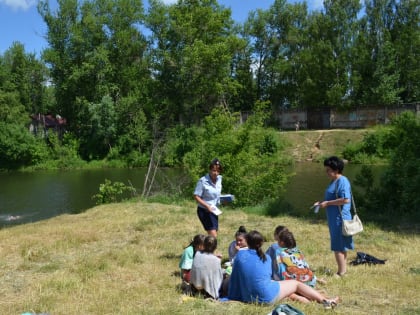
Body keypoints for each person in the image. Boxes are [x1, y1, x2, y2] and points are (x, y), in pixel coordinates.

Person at [228, 230, 339, 308]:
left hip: (248, 297)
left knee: (285, 291)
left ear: (247, 241)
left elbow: (235, 278)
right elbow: (267, 276)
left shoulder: (240, 255)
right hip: (266, 296)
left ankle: (308, 301)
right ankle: (324, 300)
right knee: (295, 284)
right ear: (261, 243)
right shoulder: (266, 258)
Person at [314, 156, 354, 277]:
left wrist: (328, 203)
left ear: (336, 170)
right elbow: (331, 198)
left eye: (328, 170)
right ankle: (343, 270)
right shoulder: (334, 181)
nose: (326, 172)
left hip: (340, 219)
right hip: (334, 218)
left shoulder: (342, 181)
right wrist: (321, 203)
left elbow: (346, 200)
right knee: (341, 246)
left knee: (338, 246)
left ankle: (341, 273)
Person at [193, 158, 223, 237]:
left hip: (214, 210)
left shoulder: (219, 179)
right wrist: (207, 206)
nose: (216, 173)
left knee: (213, 234)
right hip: (204, 210)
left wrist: (223, 200)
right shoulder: (203, 181)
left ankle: (202, 246)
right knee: (213, 235)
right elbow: (196, 196)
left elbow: (216, 194)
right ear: (210, 170)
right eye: (214, 170)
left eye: (218, 171)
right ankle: (204, 247)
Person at [190, 235, 224, 300]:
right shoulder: (215, 260)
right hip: (207, 291)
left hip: (194, 287)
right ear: (215, 247)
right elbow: (218, 278)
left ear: (204, 245)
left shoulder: (197, 254)